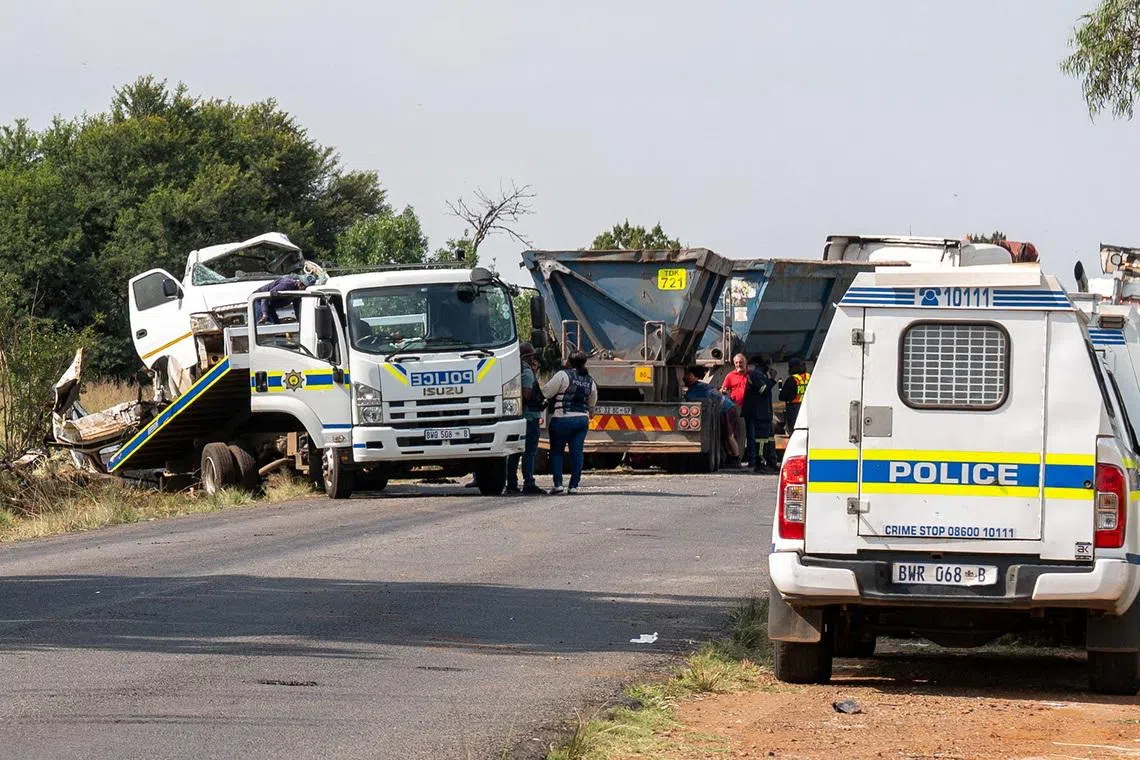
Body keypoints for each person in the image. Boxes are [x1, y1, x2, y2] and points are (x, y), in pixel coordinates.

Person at [542, 351, 597, 494]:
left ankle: (558, 484)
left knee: (557, 452)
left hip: (561, 419)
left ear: (569, 362)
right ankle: (573, 486)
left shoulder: (562, 375)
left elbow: (547, 392)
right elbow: (592, 402)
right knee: (577, 453)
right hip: (581, 420)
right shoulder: (589, 380)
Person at [505, 342, 545, 495]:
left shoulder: (514, 370)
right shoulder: (527, 372)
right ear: (527, 356)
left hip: (518, 417)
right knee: (529, 452)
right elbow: (527, 393)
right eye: (532, 356)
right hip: (530, 417)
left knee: (514, 452)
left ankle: (512, 484)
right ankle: (529, 482)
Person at [684, 365, 739, 461]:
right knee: (726, 436)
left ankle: (736, 459)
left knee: (729, 436)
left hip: (726, 409)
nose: (686, 377)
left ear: (695, 377)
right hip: (728, 407)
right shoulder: (701, 386)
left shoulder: (696, 389)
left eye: (689, 375)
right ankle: (730, 457)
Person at [720, 353, 754, 466]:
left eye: (741, 362)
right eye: (737, 363)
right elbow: (723, 388)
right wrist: (724, 392)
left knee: (752, 435)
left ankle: (753, 460)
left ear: (746, 362)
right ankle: (738, 459)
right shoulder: (730, 376)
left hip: (751, 408)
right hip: (737, 408)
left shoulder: (752, 374)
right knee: (739, 434)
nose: (739, 364)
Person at [748, 356, 780, 473]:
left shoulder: (762, 374)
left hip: (766, 412)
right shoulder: (756, 374)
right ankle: (759, 462)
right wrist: (772, 379)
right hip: (760, 413)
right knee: (761, 439)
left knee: (770, 438)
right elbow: (763, 390)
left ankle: (771, 461)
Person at [779, 357, 812, 432]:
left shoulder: (792, 379)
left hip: (794, 409)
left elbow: (782, 396)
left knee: (795, 431)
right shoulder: (809, 377)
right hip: (807, 408)